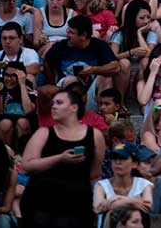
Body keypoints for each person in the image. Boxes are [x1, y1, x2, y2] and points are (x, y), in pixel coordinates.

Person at [19, 87, 105, 227]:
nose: (53, 107)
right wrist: (59, 158)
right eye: (53, 103)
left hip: (77, 206)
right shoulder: (44, 133)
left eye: (59, 103)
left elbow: (95, 173)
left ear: (73, 107)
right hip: (42, 204)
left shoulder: (95, 135)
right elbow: (27, 166)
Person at [42, 14, 119, 101]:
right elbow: (47, 61)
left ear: (83, 35)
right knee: (71, 80)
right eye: (68, 31)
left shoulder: (99, 45)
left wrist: (94, 69)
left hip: (92, 89)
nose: (67, 35)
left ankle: (104, 111)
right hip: (66, 89)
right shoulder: (61, 46)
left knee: (106, 77)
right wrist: (52, 82)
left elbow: (115, 66)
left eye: (71, 33)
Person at [111, 0, 159, 98]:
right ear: (132, 18)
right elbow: (112, 56)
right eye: (142, 18)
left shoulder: (152, 34)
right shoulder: (120, 34)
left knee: (146, 61)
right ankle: (121, 102)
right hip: (122, 72)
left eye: (148, 17)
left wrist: (139, 33)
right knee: (125, 62)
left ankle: (141, 99)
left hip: (141, 73)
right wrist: (130, 52)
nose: (146, 21)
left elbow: (148, 53)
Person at [93, 142, 153, 220]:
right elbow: (98, 209)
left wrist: (113, 200)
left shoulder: (144, 184)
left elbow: (146, 206)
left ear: (134, 164)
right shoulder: (101, 185)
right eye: (114, 158)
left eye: (123, 158)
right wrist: (131, 201)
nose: (117, 162)